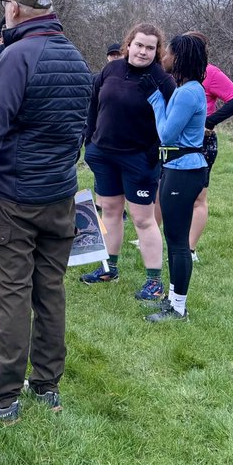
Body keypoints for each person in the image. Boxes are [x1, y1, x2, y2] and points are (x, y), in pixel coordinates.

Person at [0, 0, 92, 422]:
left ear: (15, 8)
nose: (4, 9)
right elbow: (80, 132)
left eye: (6, 4)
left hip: (15, 197)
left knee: (12, 294)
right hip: (60, 195)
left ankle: (5, 396)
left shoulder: (16, 57)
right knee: (49, 291)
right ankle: (47, 384)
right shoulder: (76, 58)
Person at [79, 22, 176, 301]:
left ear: (156, 52)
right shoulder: (111, 70)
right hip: (104, 155)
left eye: (150, 47)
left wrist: (154, 150)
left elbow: (172, 121)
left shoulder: (162, 80)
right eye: (139, 45)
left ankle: (154, 282)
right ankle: (109, 268)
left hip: (139, 159)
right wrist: (90, 140)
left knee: (143, 220)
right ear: (128, 44)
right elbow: (93, 105)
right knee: (109, 211)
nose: (143, 52)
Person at [142, 33, 209, 322]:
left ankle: (179, 308)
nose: (163, 57)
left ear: (179, 58)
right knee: (174, 239)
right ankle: (172, 299)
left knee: (178, 241)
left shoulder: (187, 92)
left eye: (167, 53)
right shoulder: (190, 90)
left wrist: (156, 100)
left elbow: (166, 134)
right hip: (179, 169)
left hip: (184, 171)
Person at [183, 31, 233, 259]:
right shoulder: (175, 74)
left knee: (198, 196)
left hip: (203, 142)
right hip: (176, 142)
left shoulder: (211, 73)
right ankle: (149, 238)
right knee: (164, 190)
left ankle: (190, 249)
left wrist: (209, 122)